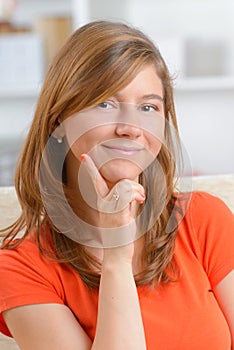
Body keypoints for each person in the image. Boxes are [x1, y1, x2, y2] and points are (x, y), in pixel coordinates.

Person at [0, 20, 233, 350]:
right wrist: (117, 258)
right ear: (59, 121)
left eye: (148, 107)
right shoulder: (21, 269)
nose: (131, 128)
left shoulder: (204, 219)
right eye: (105, 103)